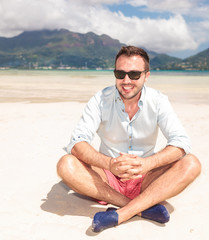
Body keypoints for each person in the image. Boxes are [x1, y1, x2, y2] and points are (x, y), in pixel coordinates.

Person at [57, 46, 201, 232]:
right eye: (120, 73)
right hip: (106, 178)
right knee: (65, 164)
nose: (126, 81)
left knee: (191, 163)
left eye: (134, 74)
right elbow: (77, 142)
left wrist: (148, 164)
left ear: (146, 76)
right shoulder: (100, 99)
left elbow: (181, 142)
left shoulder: (158, 101)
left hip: (146, 177)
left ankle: (122, 213)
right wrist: (109, 163)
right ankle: (141, 208)